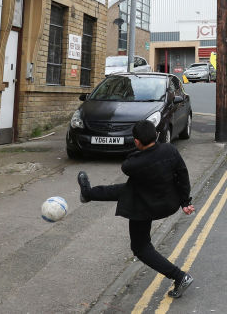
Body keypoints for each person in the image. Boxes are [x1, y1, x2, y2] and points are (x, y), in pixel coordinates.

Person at [77, 120, 196, 298]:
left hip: (146, 206)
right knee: (123, 190)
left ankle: (179, 277)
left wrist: (139, 151)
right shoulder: (169, 150)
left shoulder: (134, 164)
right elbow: (183, 174)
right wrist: (185, 202)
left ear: (137, 141)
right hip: (168, 201)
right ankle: (88, 193)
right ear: (156, 135)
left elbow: (128, 163)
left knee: (141, 248)